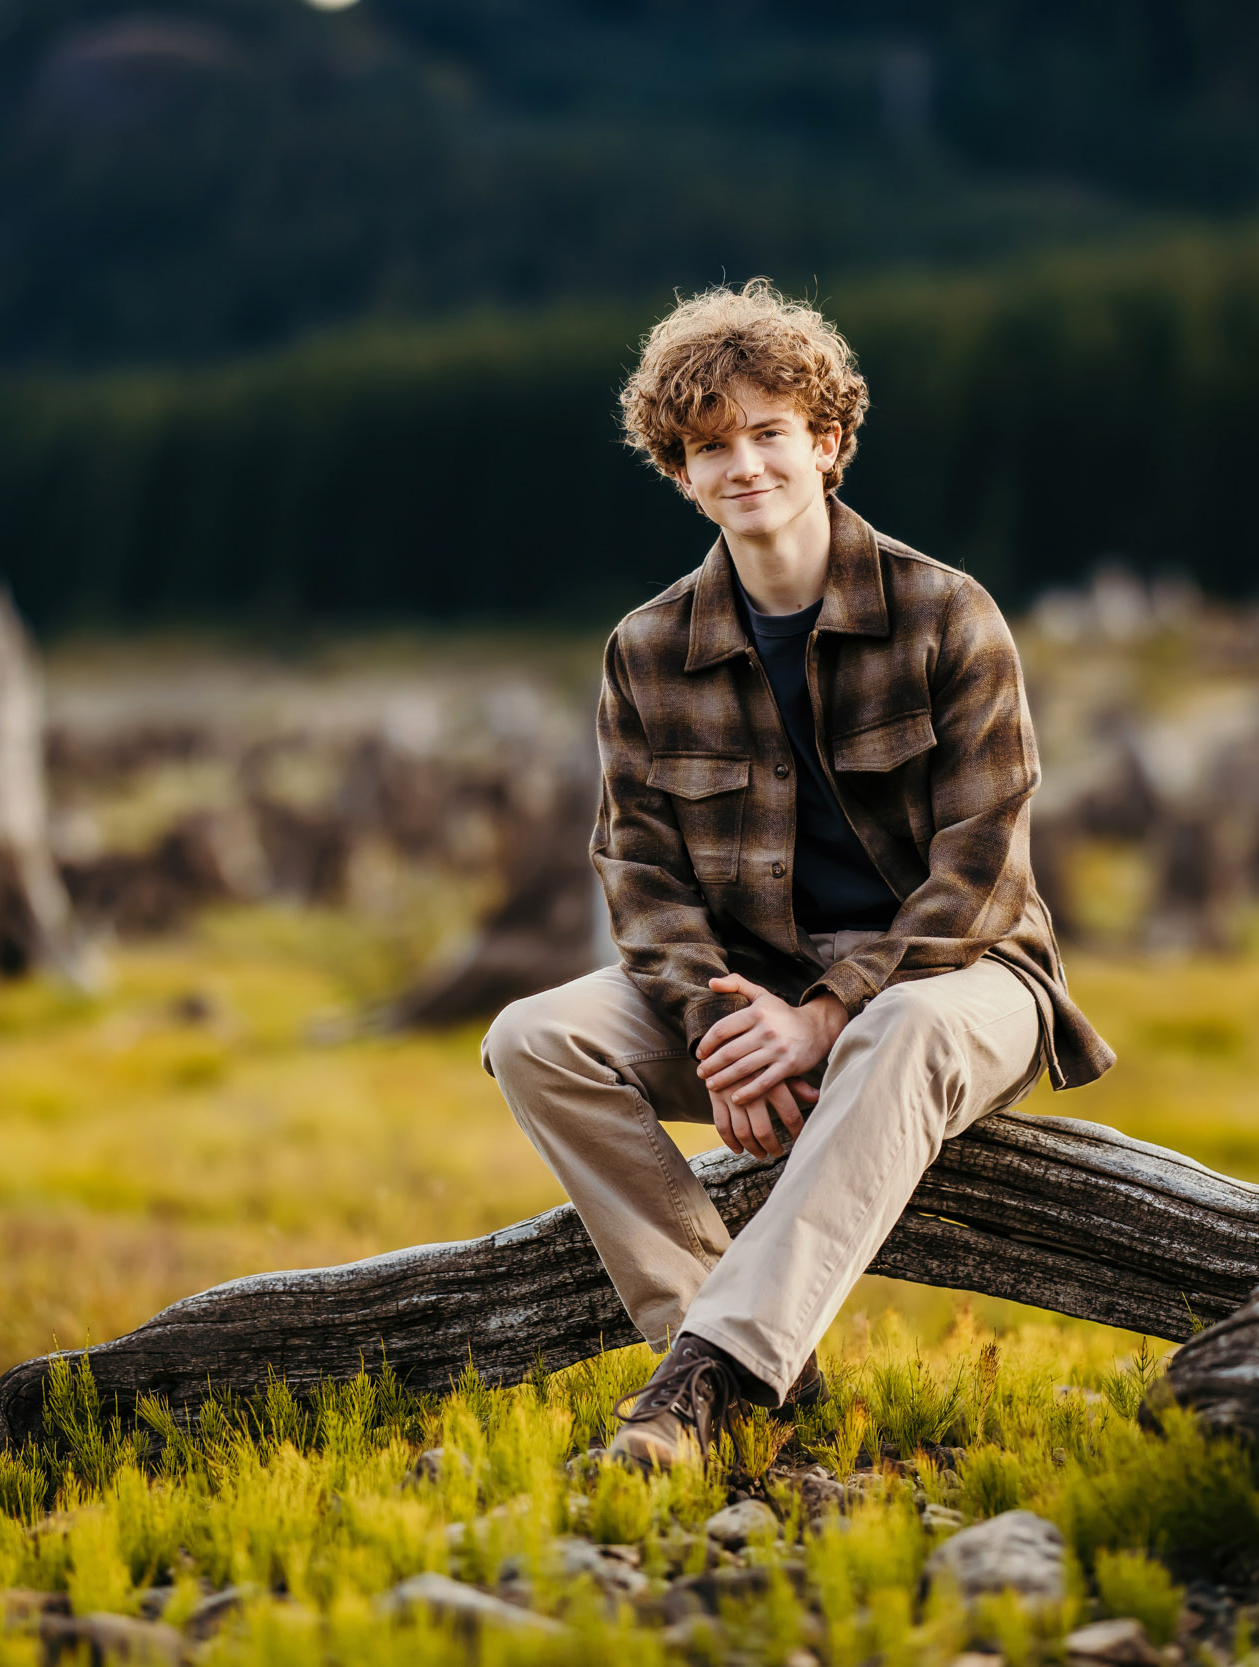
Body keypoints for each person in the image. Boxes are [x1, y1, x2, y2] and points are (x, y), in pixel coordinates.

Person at [482, 279, 1114, 1468]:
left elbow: (982, 867)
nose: (744, 465)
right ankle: (750, 1359)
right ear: (679, 471)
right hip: (753, 991)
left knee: (902, 1029)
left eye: (770, 432)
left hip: (962, 981)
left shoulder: (946, 613)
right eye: (709, 445)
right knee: (532, 1036)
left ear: (826, 444)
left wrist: (822, 1016)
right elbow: (640, 870)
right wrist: (723, 1021)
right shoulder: (646, 648)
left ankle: (703, 1385)